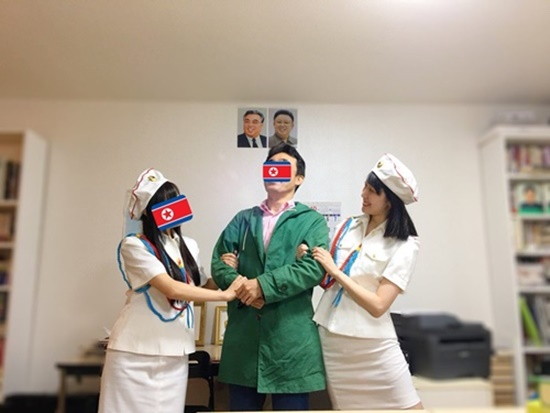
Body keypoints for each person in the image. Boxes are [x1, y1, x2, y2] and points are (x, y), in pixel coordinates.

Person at [98, 168, 244, 413]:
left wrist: (225, 272)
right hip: (133, 354)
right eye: (166, 203)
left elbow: (199, 285)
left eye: (176, 200)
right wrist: (225, 296)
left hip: (176, 351)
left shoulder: (188, 245)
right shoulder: (134, 245)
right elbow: (170, 287)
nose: (173, 208)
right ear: (150, 212)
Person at [299, 153, 423, 410]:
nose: (363, 194)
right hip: (332, 338)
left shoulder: (405, 244)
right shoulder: (347, 226)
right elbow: (326, 278)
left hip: (374, 344)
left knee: (410, 406)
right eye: (365, 187)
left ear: (390, 200)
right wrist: (308, 256)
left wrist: (336, 272)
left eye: (372, 191)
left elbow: (378, 305)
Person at [212, 144, 329, 411]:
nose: (275, 170)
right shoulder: (243, 219)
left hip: (290, 342)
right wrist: (246, 289)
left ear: (299, 178)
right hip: (244, 340)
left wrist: (262, 286)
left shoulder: (311, 221)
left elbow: (314, 267)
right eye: (271, 165)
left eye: (283, 166)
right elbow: (219, 264)